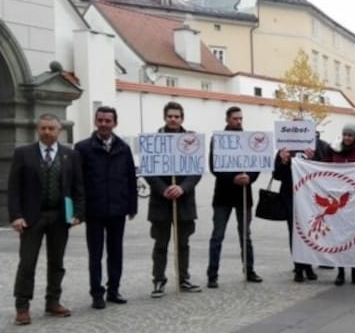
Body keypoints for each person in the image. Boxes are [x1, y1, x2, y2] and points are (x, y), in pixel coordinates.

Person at [9, 114, 85, 325]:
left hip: (59, 217)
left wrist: (78, 213)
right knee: (27, 263)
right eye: (43, 128)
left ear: (59, 131)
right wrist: (16, 216)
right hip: (32, 217)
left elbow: (78, 187)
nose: (47, 132)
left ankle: (53, 301)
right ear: (37, 129)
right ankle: (22, 306)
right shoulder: (23, 154)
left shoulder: (70, 155)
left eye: (51, 128)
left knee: (57, 262)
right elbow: (14, 188)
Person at [75, 106, 137, 310]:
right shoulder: (83, 148)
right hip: (94, 210)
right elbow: (78, 182)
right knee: (95, 254)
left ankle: (113, 290)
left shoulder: (123, 147)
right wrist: (79, 210)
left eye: (107, 121)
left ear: (114, 123)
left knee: (116, 252)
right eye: (100, 120)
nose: (103, 124)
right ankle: (96, 293)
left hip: (118, 208)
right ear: (95, 121)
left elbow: (130, 179)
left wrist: (132, 206)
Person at [145, 102, 202, 297]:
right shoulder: (154, 141)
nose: (173, 119)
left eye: (177, 116)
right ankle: (158, 280)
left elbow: (196, 171)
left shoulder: (191, 140)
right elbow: (149, 171)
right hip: (161, 202)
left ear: (182, 118)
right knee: (160, 244)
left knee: (183, 244)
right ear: (164, 117)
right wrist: (164, 189)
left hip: (183, 202)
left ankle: (183, 278)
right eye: (170, 116)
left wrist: (182, 188)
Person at [207, 106, 263, 288]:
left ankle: (249, 270)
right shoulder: (218, 140)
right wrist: (232, 178)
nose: (239, 122)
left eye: (240, 119)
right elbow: (214, 167)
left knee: (245, 236)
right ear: (227, 120)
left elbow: (256, 164)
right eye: (235, 119)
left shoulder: (249, 139)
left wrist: (250, 178)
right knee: (217, 235)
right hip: (223, 195)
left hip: (244, 195)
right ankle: (212, 274)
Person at [274, 132, 330, 283]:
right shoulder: (284, 149)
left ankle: (308, 265)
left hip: (309, 195)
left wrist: (313, 159)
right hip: (290, 195)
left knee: (309, 229)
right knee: (294, 230)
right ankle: (298, 266)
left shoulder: (315, 148)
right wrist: (283, 161)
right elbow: (277, 175)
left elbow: (323, 170)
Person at [323, 123, 355, 285]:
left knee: (354, 237)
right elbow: (323, 167)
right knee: (338, 237)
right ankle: (341, 271)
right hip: (337, 201)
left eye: (351, 135)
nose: (347, 138)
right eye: (345, 134)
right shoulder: (334, 150)